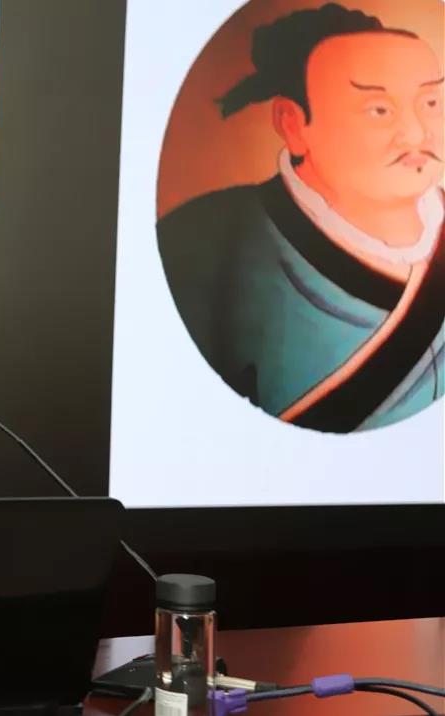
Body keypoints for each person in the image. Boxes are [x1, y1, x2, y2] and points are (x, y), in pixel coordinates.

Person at [157, 3, 444, 432]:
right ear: (293, 124)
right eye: (379, 110)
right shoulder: (205, 241)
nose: (418, 133)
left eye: (431, 102)